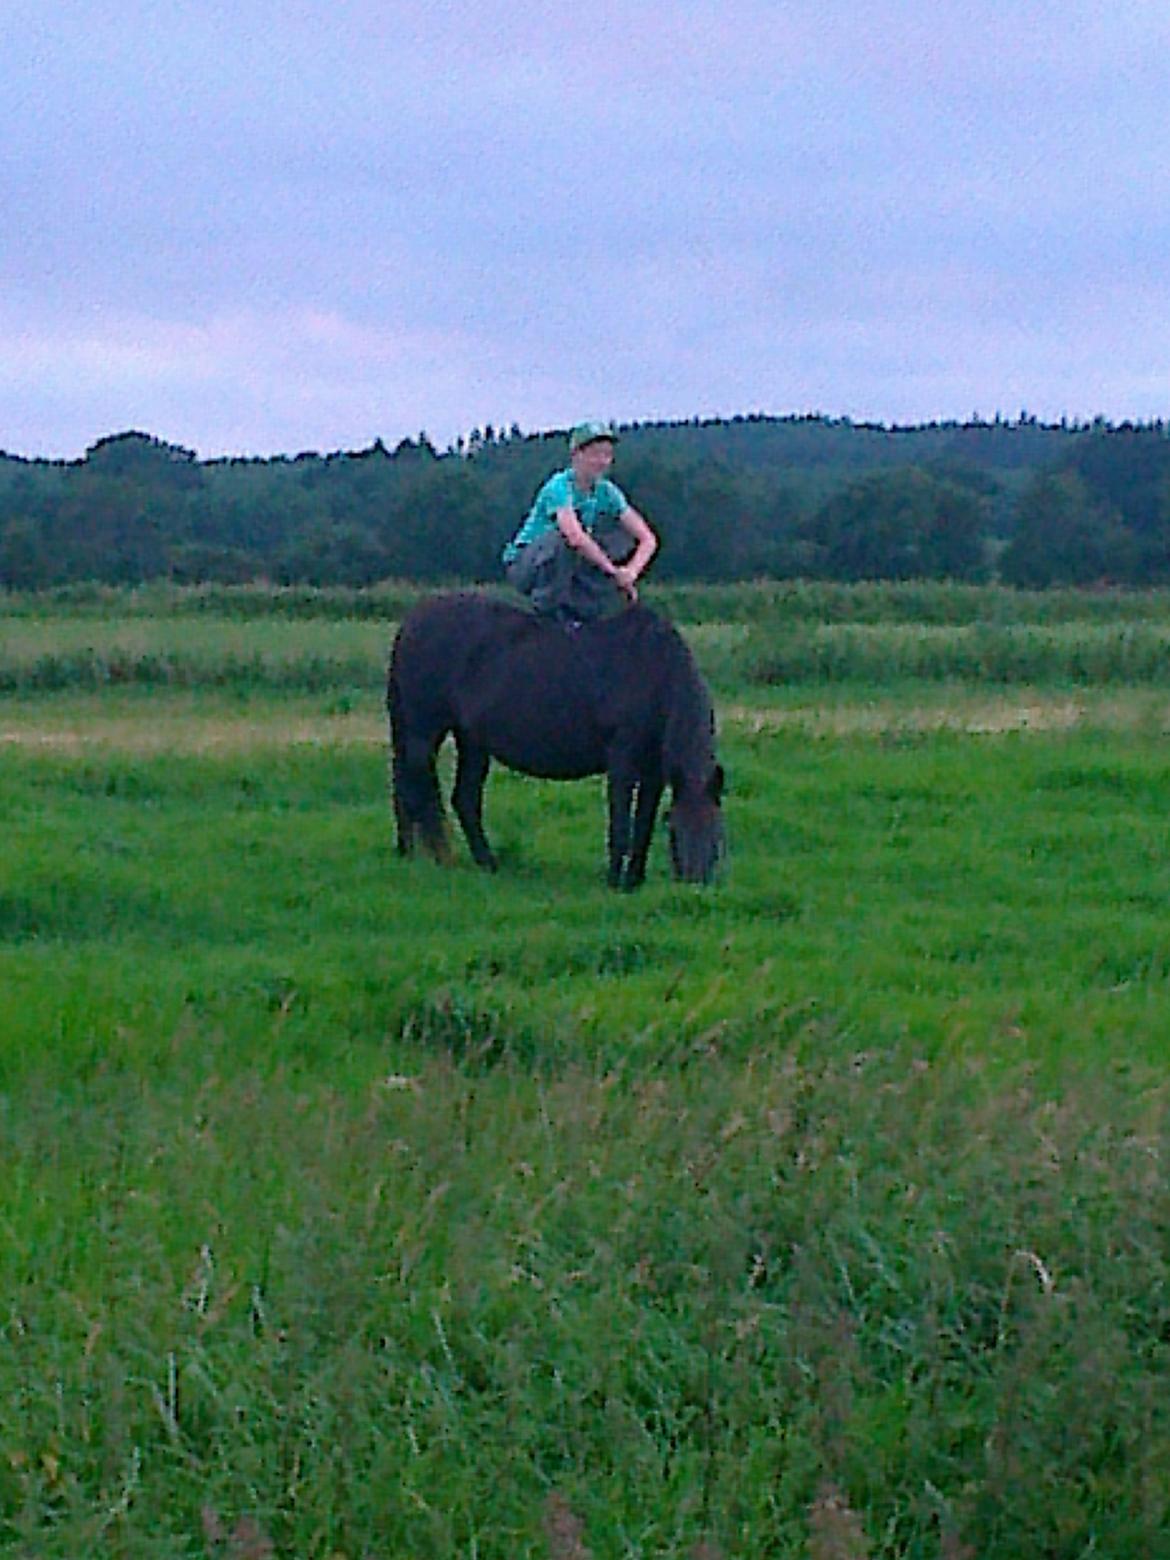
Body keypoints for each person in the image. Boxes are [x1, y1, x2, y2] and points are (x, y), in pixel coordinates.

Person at [502, 421, 659, 624]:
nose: (602, 461)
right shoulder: (559, 486)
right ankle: (546, 613)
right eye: (595, 454)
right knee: (566, 540)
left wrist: (631, 572)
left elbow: (647, 538)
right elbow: (574, 536)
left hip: (567, 566)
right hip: (527, 565)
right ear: (577, 455)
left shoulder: (607, 492)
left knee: (619, 540)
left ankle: (588, 609)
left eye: (607, 455)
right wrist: (612, 571)